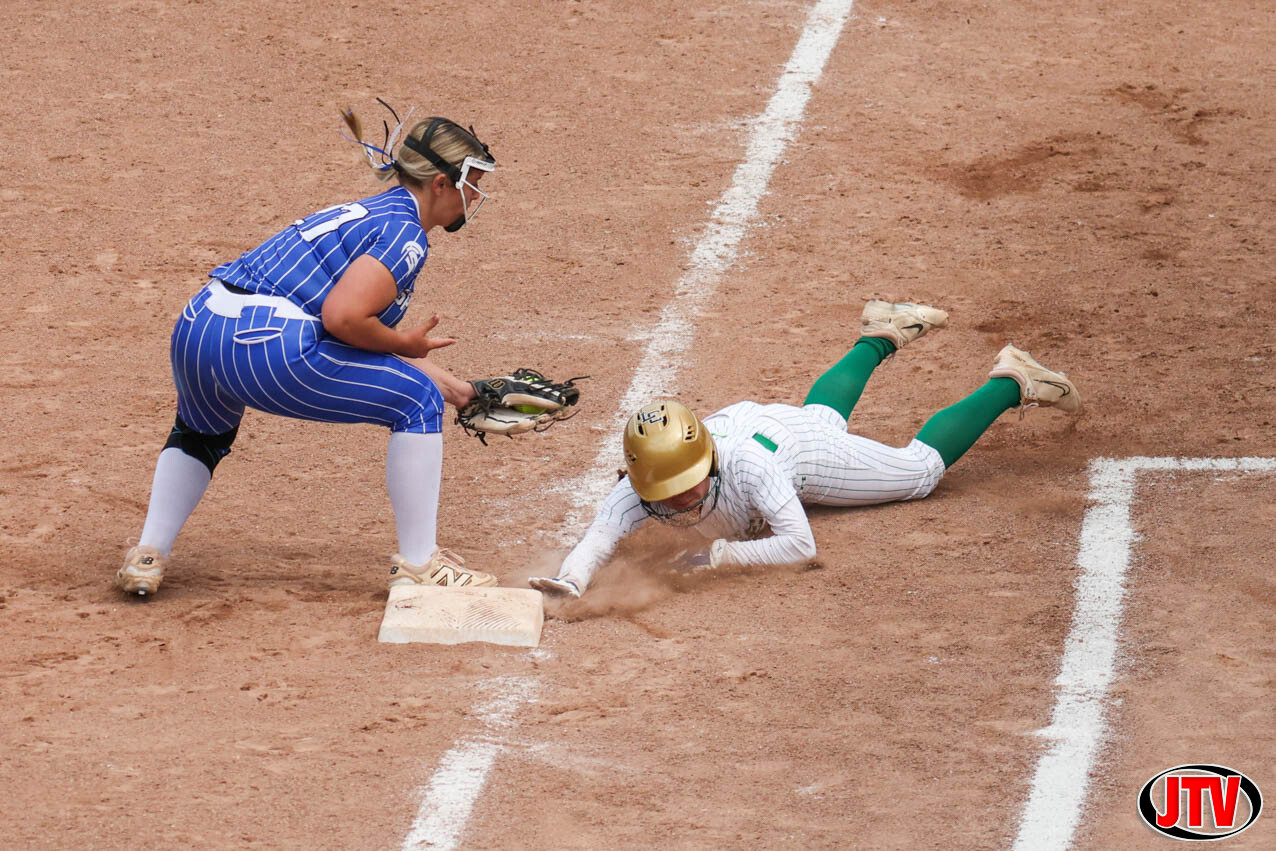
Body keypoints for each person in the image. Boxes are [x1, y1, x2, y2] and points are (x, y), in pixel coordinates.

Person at [117, 106, 502, 596]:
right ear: (441, 184)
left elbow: (358, 338)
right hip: (265, 345)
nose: (474, 196)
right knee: (415, 402)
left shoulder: (370, 213)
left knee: (200, 433)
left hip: (199, 328)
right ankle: (421, 564)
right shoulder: (404, 235)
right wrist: (406, 346)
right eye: (471, 182)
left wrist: (461, 392)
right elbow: (344, 320)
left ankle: (148, 554)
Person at [528, 299, 1081, 599]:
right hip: (753, 424)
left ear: (708, 463)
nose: (677, 502)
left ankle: (1014, 380)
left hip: (794, 451)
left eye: (686, 488)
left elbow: (799, 546)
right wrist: (570, 583)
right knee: (821, 416)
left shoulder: (750, 469)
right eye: (666, 493)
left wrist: (716, 555)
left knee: (917, 472)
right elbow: (599, 537)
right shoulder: (644, 481)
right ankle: (882, 331)